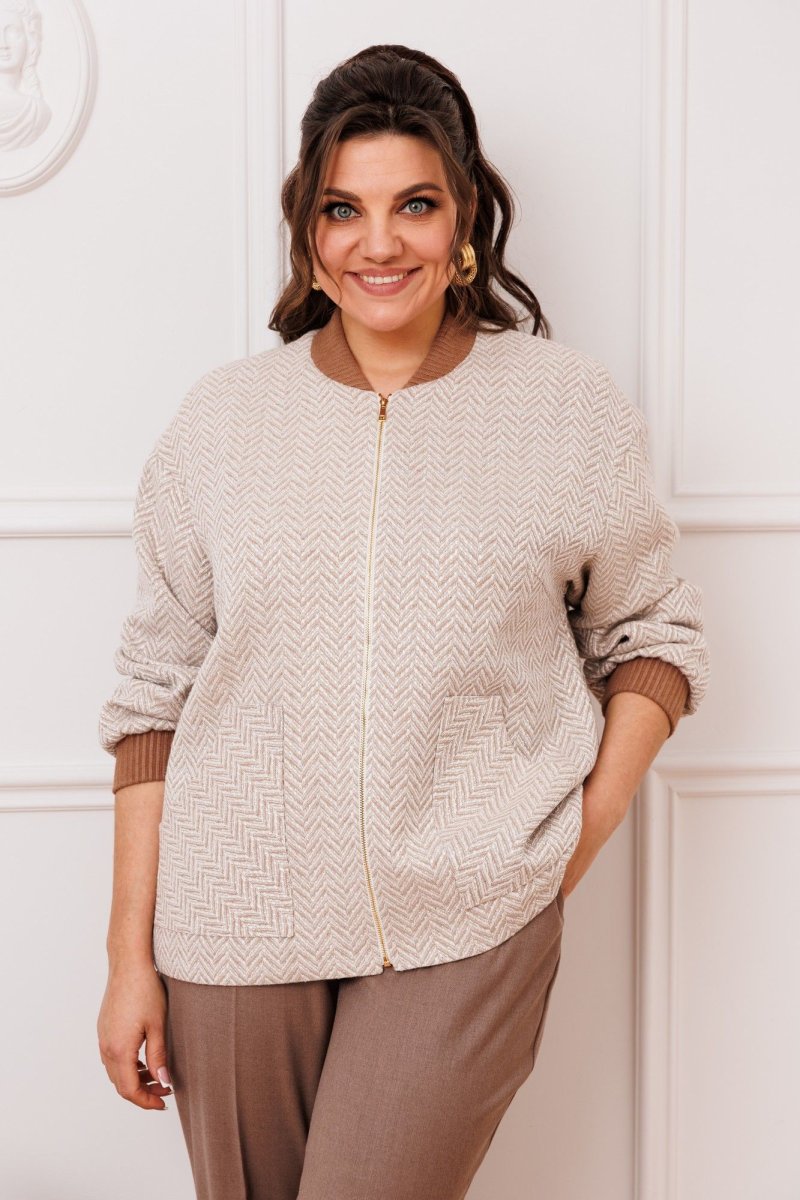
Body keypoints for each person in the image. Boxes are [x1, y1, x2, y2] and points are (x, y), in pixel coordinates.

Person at [96, 44, 710, 1200]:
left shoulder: (563, 408)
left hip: (468, 911)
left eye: (413, 205)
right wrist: (128, 958)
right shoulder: (220, 423)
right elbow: (150, 701)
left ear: (463, 218)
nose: (378, 243)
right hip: (232, 917)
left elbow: (652, 637)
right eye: (344, 209)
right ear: (307, 231)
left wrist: (573, 837)